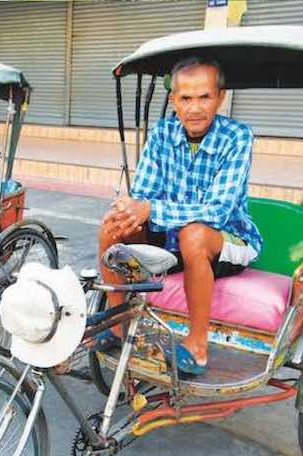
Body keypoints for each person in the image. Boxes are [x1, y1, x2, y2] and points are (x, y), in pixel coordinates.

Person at [95, 56, 262, 375]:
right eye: (186, 98)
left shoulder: (238, 136)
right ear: (174, 100)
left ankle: (197, 344)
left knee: (194, 233)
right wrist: (127, 210)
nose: (195, 108)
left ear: (220, 97)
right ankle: (119, 324)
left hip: (225, 242)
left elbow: (218, 211)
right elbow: (144, 193)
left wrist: (151, 209)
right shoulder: (162, 134)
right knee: (112, 228)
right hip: (171, 243)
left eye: (205, 97)